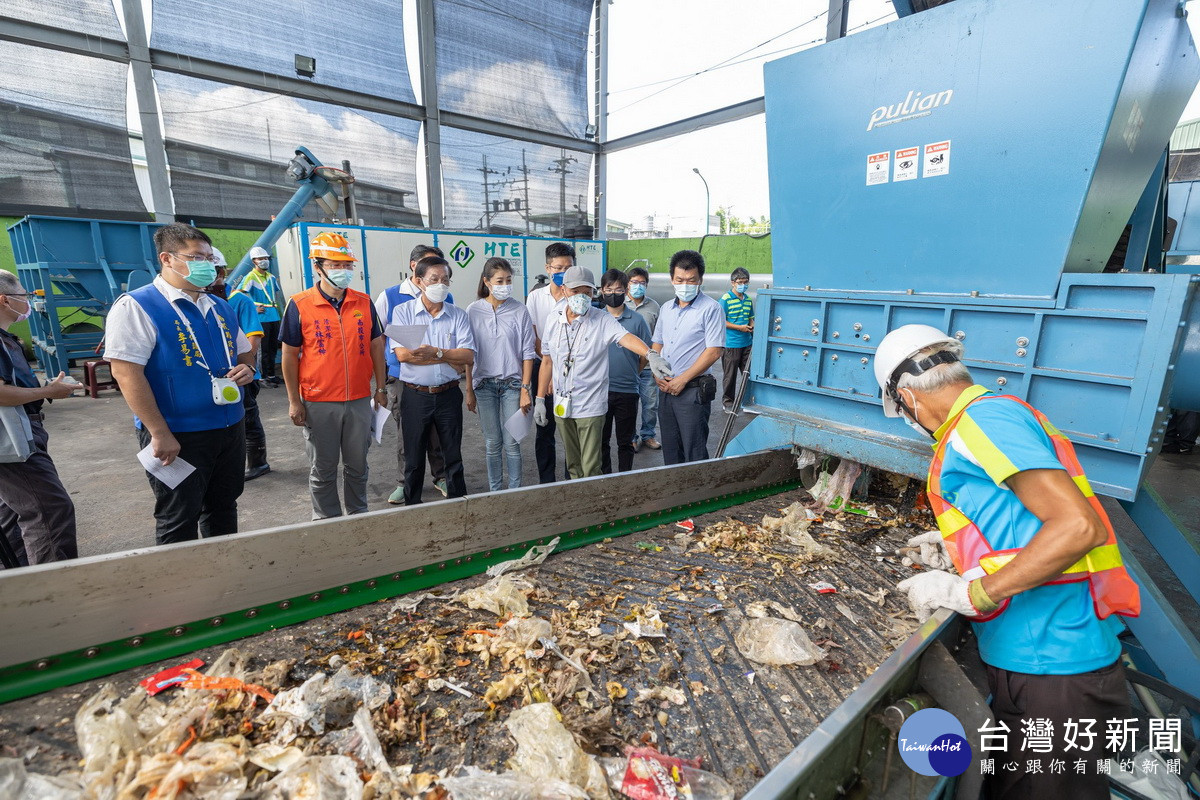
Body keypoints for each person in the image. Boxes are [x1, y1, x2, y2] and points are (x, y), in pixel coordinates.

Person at [874, 324, 1140, 800]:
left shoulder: (982, 423)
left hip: (1055, 667)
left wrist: (969, 592)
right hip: (1035, 660)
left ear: (908, 399)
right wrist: (962, 543)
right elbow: (1022, 517)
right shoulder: (987, 420)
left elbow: (1078, 527)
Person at [106, 223, 256, 544]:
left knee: (223, 506)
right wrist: (159, 433)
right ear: (167, 259)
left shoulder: (219, 307)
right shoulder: (137, 306)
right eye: (196, 257)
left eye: (209, 258)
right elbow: (126, 373)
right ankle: (183, 590)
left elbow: (245, 354)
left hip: (228, 427)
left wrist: (248, 370)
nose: (207, 265)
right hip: (178, 435)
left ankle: (223, 576)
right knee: (179, 516)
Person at [280, 231, 387, 519]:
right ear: (318, 266)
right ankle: (326, 519)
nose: (343, 271)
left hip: (359, 399)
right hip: (319, 401)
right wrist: (294, 401)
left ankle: (358, 513)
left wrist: (381, 387)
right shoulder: (300, 304)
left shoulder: (363, 302)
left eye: (348, 265)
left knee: (358, 465)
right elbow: (289, 355)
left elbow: (376, 346)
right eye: (335, 265)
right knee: (323, 468)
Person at [535, 266, 670, 479]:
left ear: (593, 293)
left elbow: (625, 337)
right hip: (562, 404)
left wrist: (650, 354)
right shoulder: (553, 320)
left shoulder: (602, 319)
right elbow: (547, 361)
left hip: (590, 405)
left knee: (590, 466)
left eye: (587, 293)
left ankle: (593, 506)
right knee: (572, 463)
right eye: (575, 291)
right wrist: (540, 399)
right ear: (563, 290)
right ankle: (578, 502)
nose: (581, 297)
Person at [0, 271, 77, 566]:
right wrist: (48, 391)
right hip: (12, 441)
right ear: (5, 300)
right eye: (23, 296)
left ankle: (14, 581)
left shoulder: (7, 339)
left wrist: (45, 389)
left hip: (21, 432)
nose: (28, 302)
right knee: (49, 510)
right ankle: (52, 593)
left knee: (13, 510)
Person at [390, 256, 475, 505]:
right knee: (413, 457)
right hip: (415, 395)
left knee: (452, 455)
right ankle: (412, 505)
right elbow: (404, 355)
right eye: (434, 279)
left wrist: (434, 352)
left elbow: (467, 357)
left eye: (446, 279)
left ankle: (459, 504)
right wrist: (449, 357)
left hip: (448, 394)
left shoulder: (458, 315)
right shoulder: (403, 312)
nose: (441, 284)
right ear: (419, 281)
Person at [375, 244, 453, 504]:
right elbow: (379, 338)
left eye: (442, 273)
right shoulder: (390, 296)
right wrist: (380, 382)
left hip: (438, 375)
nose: (438, 279)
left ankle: (441, 476)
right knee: (407, 432)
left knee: (437, 431)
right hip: (401, 377)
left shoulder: (446, 297)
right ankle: (404, 482)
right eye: (431, 269)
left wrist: (437, 355)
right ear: (415, 268)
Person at [465, 257, 535, 491]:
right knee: (493, 443)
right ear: (486, 282)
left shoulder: (520, 310)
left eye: (508, 280)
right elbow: (468, 354)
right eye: (499, 280)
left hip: (512, 387)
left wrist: (525, 390)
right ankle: (496, 491)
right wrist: (469, 390)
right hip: (483, 386)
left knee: (512, 442)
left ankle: (514, 492)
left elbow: (528, 353)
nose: (504, 284)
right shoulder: (473, 311)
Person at [652, 250, 724, 465]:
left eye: (691, 280)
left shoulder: (711, 309)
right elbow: (658, 344)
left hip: (691, 391)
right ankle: (675, 494)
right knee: (671, 448)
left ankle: (699, 495)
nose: (685, 284)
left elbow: (714, 351)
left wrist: (682, 380)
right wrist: (656, 373)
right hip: (665, 389)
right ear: (672, 279)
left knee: (694, 448)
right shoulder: (666, 308)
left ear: (700, 279)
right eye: (680, 280)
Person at [209, 249, 270, 480]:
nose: (213, 277)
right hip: (218, 378)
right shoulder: (204, 302)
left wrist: (247, 365)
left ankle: (258, 463)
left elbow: (253, 337)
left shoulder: (238, 301)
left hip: (241, 375)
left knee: (248, 418)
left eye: (216, 271)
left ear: (223, 272)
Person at [525, 242, 574, 483]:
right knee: (544, 427)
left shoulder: (576, 297)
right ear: (548, 268)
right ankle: (547, 481)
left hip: (570, 371)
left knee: (569, 426)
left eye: (568, 267)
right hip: (541, 369)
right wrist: (550, 373)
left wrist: (559, 372)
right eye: (558, 267)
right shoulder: (535, 297)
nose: (563, 272)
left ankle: (570, 477)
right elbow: (534, 338)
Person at [598, 269, 651, 473]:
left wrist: (633, 373)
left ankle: (624, 478)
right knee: (601, 441)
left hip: (628, 390)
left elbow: (645, 354)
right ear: (602, 291)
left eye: (618, 289)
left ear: (626, 291)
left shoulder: (637, 320)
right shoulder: (596, 318)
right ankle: (606, 478)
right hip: (600, 390)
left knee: (626, 441)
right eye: (608, 289)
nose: (613, 293)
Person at [236, 246, 283, 386]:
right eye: (261, 259)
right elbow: (238, 294)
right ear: (254, 261)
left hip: (274, 316)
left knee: (273, 347)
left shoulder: (271, 277)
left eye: (266, 258)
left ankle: (271, 374)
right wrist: (253, 308)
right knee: (263, 349)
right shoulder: (250, 277)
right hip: (261, 318)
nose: (264, 261)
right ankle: (262, 377)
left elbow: (276, 295)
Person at [626, 266, 661, 452]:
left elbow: (659, 337)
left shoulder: (654, 306)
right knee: (629, 404)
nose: (638, 286)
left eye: (642, 283)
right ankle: (631, 437)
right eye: (634, 282)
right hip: (627, 366)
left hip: (647, 366)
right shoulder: (619, 304)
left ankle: (648, 435)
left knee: (650, 405)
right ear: (627, 284)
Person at [719, 267, 754, 408]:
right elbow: (721, 321)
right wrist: (740, 328)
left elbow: (751, 317)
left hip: (747, 343)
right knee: (730, 376)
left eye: (746, 282)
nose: (743, 285)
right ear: (733, 282)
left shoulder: (748, 299)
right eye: (740, 282)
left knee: (749, 375)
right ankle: (728, 403)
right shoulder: (725, 299)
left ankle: (747, 401)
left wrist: (752, 325)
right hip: (731, 344)